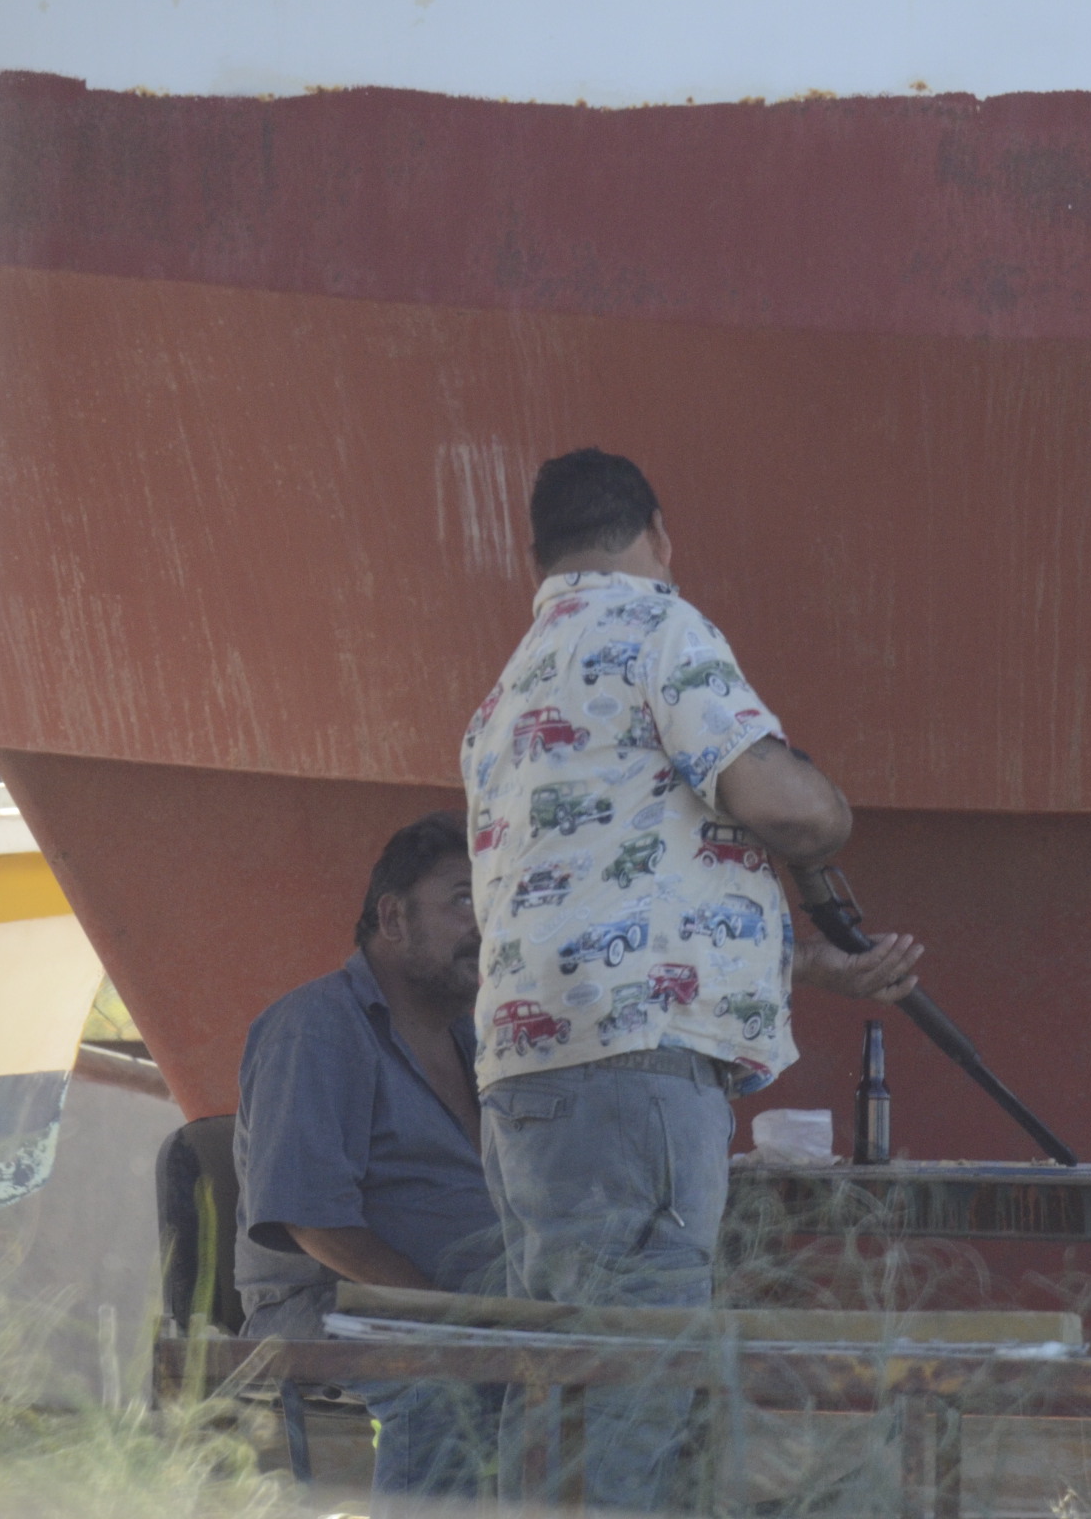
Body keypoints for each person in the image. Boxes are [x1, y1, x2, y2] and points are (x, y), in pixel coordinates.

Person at [464, 447, 927, 1509]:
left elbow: (610, 891)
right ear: (658, 535)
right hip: (638, 1077)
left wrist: (804, 964)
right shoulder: (658, 628)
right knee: (637, 1386)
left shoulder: (504, 698)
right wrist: (825, 808)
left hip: (526, 1077)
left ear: (539, 556)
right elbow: (789, 809)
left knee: (556, 1377)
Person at [232, 812, 505, 1507]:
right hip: (327, 1307)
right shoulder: (317, 1027)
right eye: (463, 899)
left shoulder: (476, 1043)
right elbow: (313, 1222)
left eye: (497, 900)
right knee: (442, 1383)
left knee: (606, 1380)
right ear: (393, 918)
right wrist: (448, 1314)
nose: (486, 924)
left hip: (460, 1309)